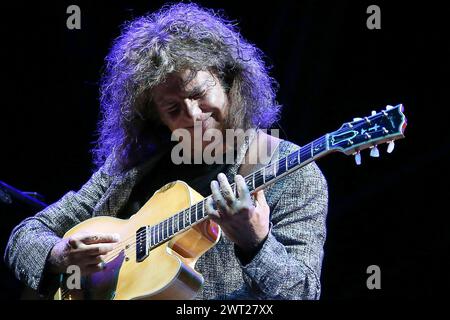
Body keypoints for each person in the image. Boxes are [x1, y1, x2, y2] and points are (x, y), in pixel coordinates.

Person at [4, 3, 328, 300]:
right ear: (155, 117)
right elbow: (25, 235)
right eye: (173, 108)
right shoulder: (133, 164)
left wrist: (256, 243)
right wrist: (57, 255)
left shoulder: (292, 173)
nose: (193, 115)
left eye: (200, 93)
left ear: (228, 82)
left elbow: (301, 292)